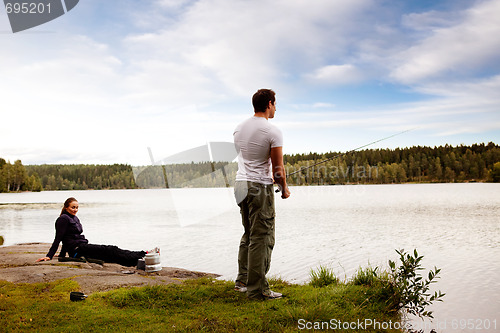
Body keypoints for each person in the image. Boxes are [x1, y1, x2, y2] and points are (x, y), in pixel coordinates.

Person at [233, 88, 291, 300]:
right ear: (268, 104)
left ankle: (242, 280)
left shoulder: (239, 128)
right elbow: (278, 168)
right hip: (259, 189)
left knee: (248, 234)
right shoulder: (272, 131)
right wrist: (284, 188)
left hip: (240, 185)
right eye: (275, 104)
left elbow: (249, 159)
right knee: (262, 237)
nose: (275, 108)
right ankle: (257, 290)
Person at [36, 197, 157, 267]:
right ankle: (143, 254)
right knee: (111, 249)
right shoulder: (62, 219)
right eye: (73, 207)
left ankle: (141, 259)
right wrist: (49, 256)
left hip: (83, 247)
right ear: (66, 207)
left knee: (111, 255)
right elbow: (59, 238)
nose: (75, 210)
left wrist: (62, 255)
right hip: (78, 251)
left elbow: (66, 239)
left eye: (77, 207)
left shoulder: (74, 218)